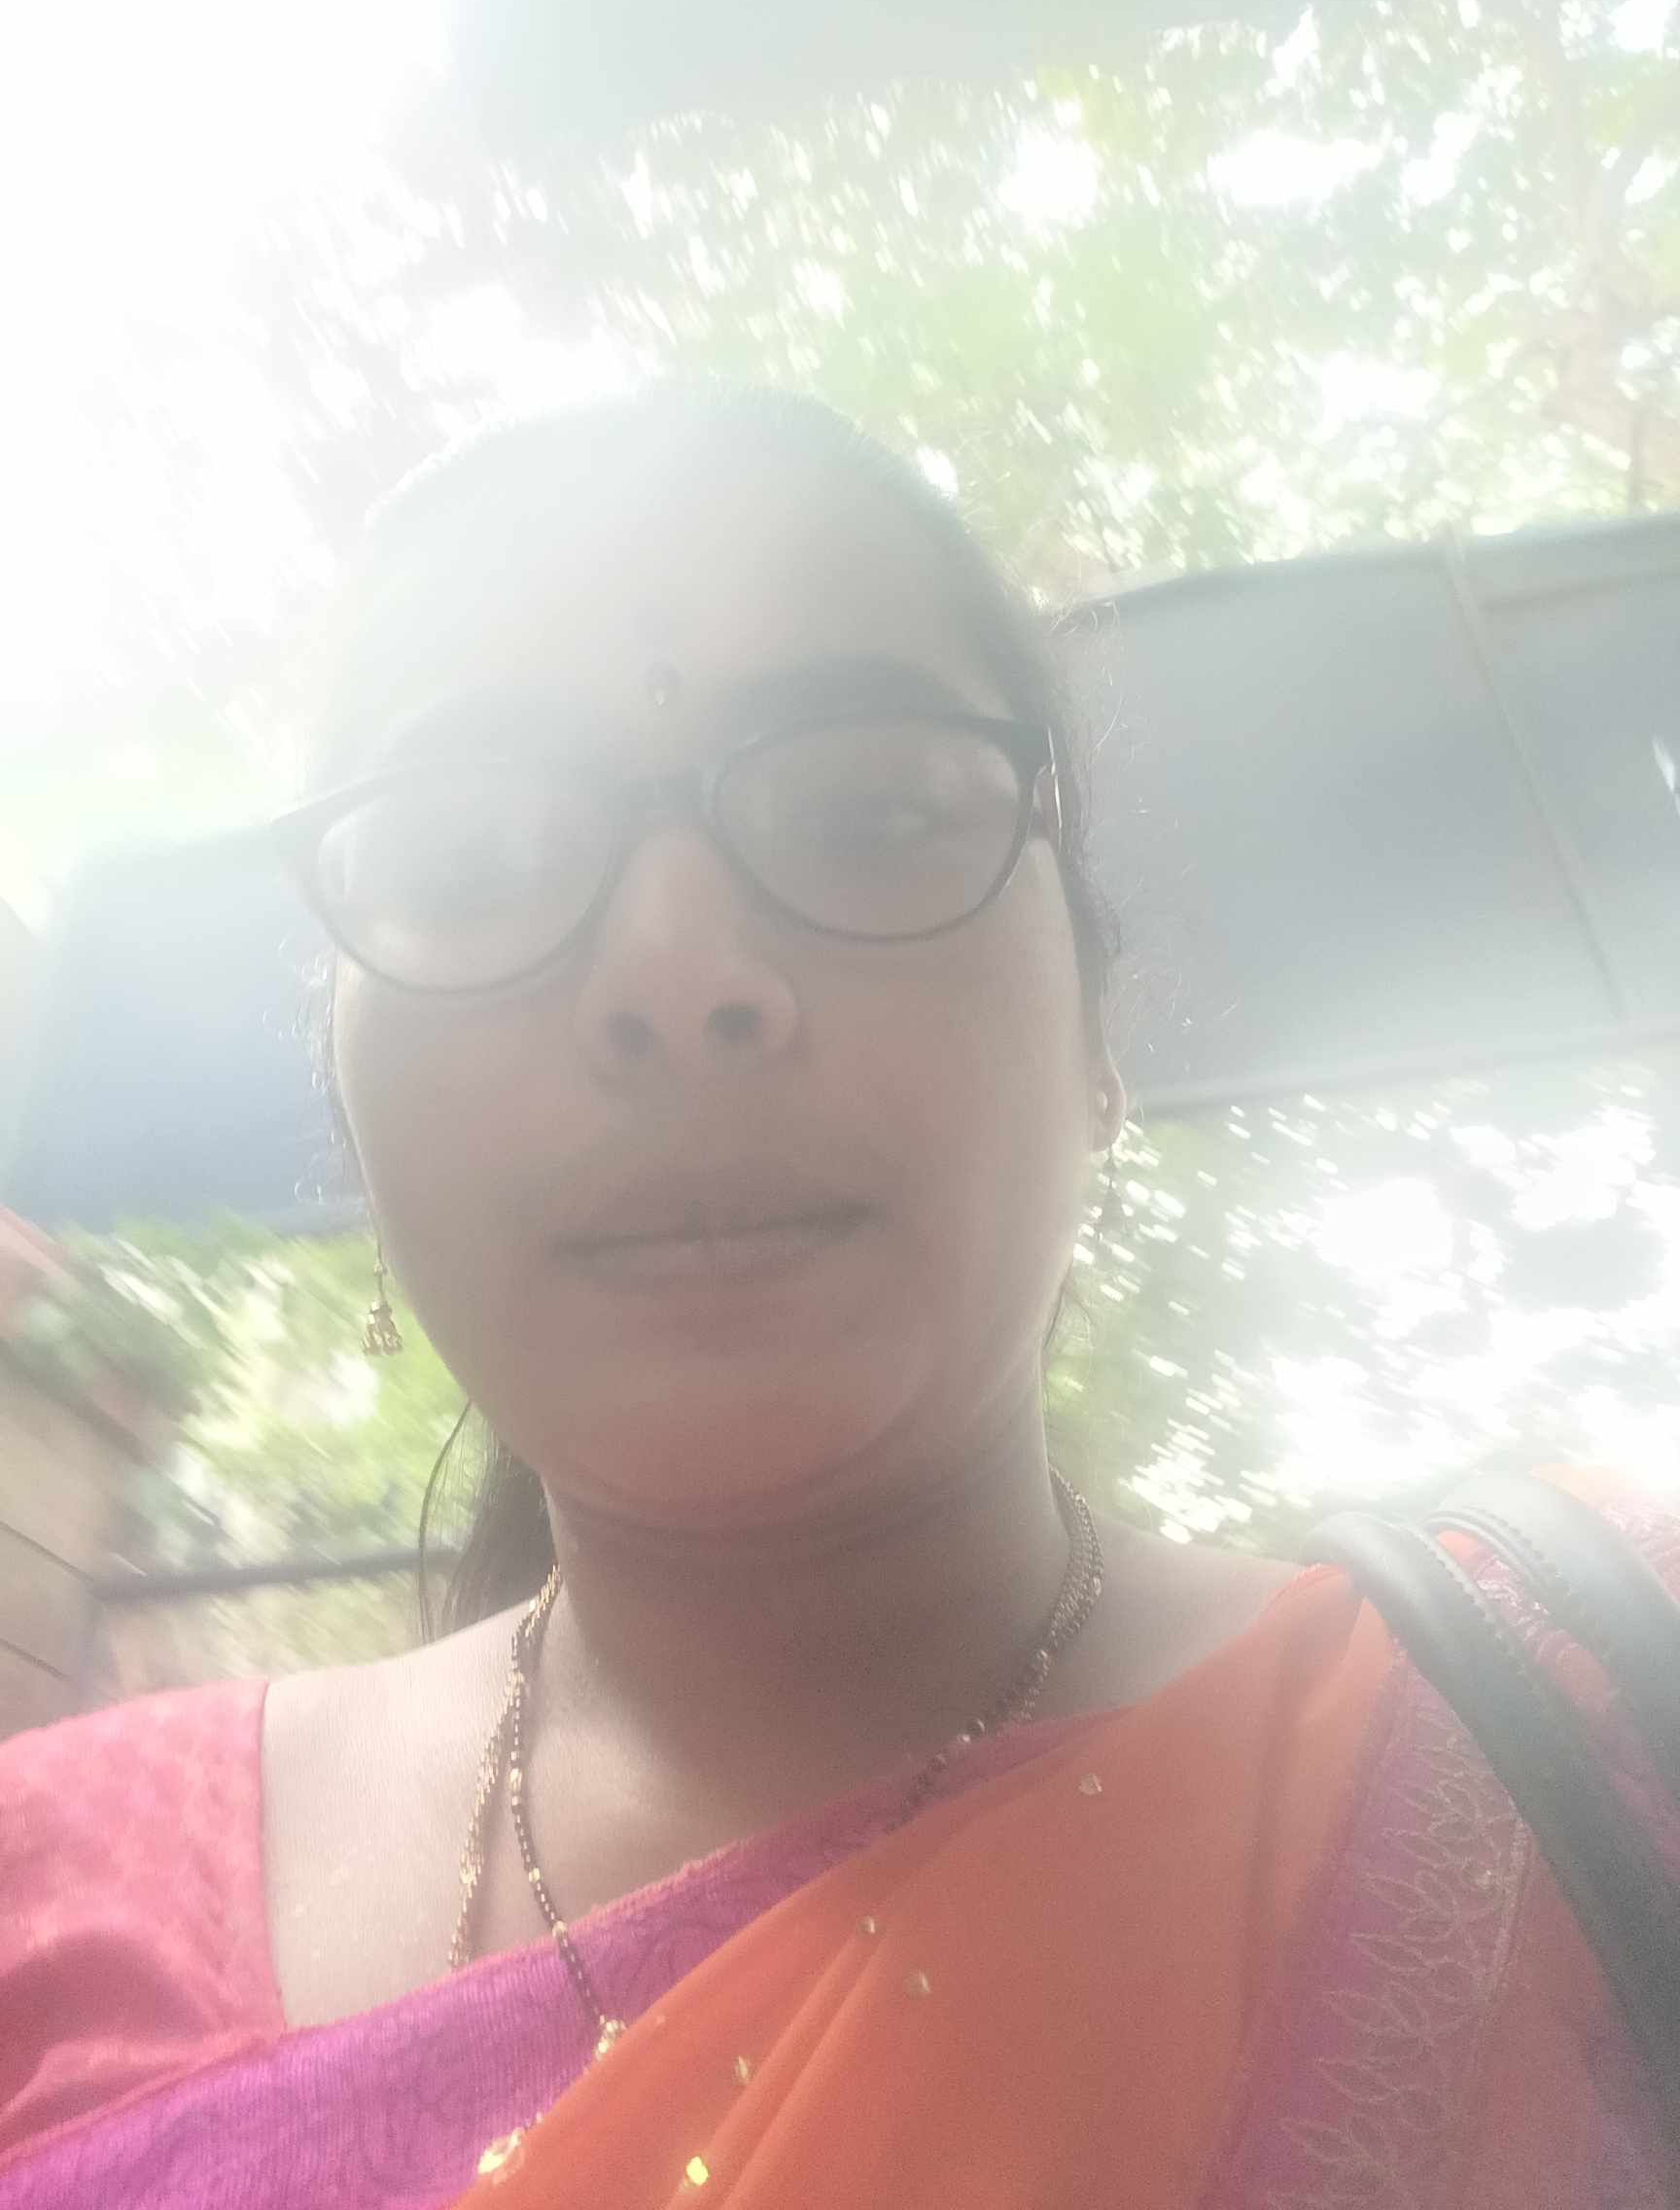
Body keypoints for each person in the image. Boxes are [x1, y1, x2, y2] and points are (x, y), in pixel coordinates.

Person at [1, 390, 1673, 2209]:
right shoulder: (50, 1898)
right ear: (350, 1110)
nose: (677, 972)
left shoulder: (1576, 1741)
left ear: (1096, 1038)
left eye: (872, 814)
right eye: (467, 860)